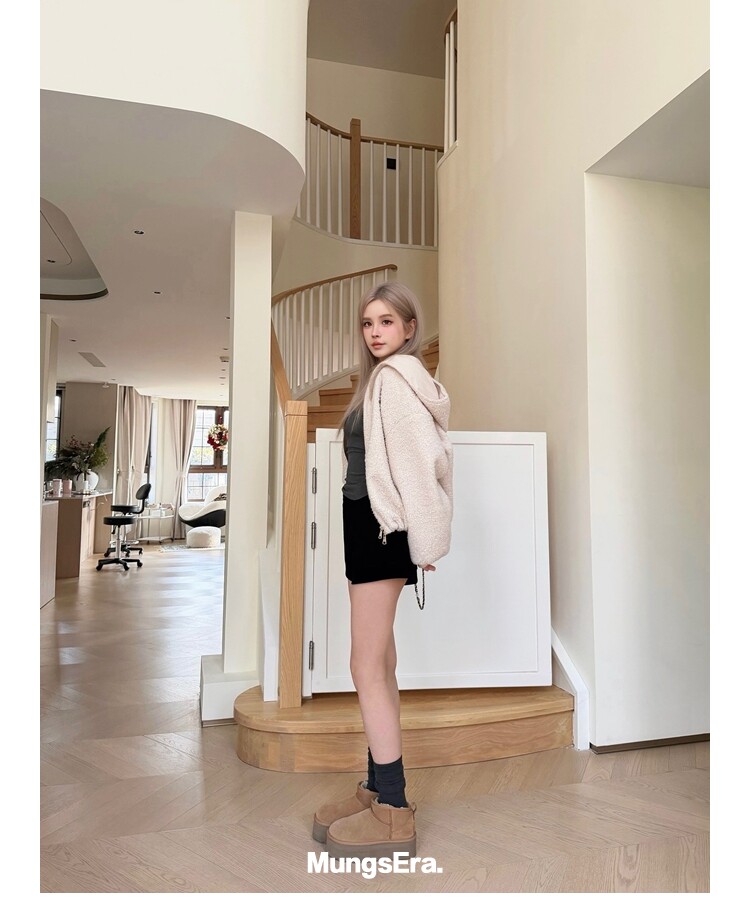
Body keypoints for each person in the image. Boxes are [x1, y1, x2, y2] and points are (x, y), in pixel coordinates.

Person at [312, 280, 454, 859]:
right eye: (368, 322)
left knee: (365, 664)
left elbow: (422, 465)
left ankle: (394, 808)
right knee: (382, 662)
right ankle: (376, 788)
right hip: (367, 525)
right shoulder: (377, 380)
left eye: (387, 321)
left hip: (381, 530)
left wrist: (425, 539)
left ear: (410, 328)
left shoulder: (395, 380)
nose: (375, 332)